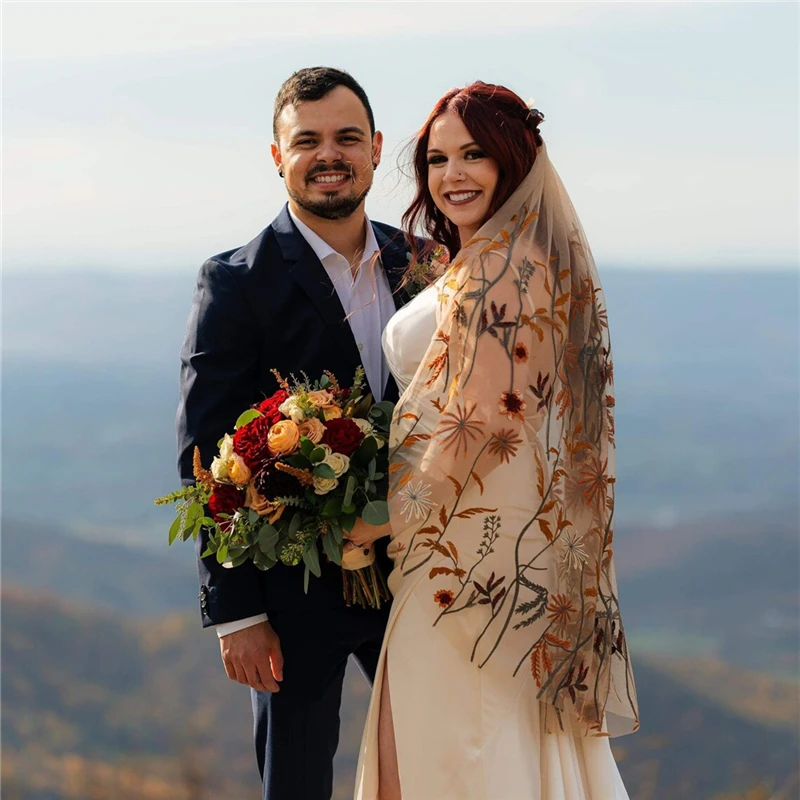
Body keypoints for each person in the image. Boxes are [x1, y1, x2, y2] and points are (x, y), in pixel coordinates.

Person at [346, 82, 640, 800]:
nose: (451, 175)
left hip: (467, 563)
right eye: (438, 158)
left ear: (514, 161)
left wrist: (371, 521)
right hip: (474, 555)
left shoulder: (512, 274)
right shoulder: (491, 261)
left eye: (473, 154)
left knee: (437, 761)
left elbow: (477, 430)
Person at [176, 66, 412, 800]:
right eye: (306, 140)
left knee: (442, 762)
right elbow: (205, 455)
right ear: (278, 157)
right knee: (299, 784)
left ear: (375, 148)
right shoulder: (236, 281)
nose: (329, 154)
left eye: (346, 137)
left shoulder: (424, 264)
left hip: (418, 575)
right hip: (292, 593)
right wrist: (236, 611)